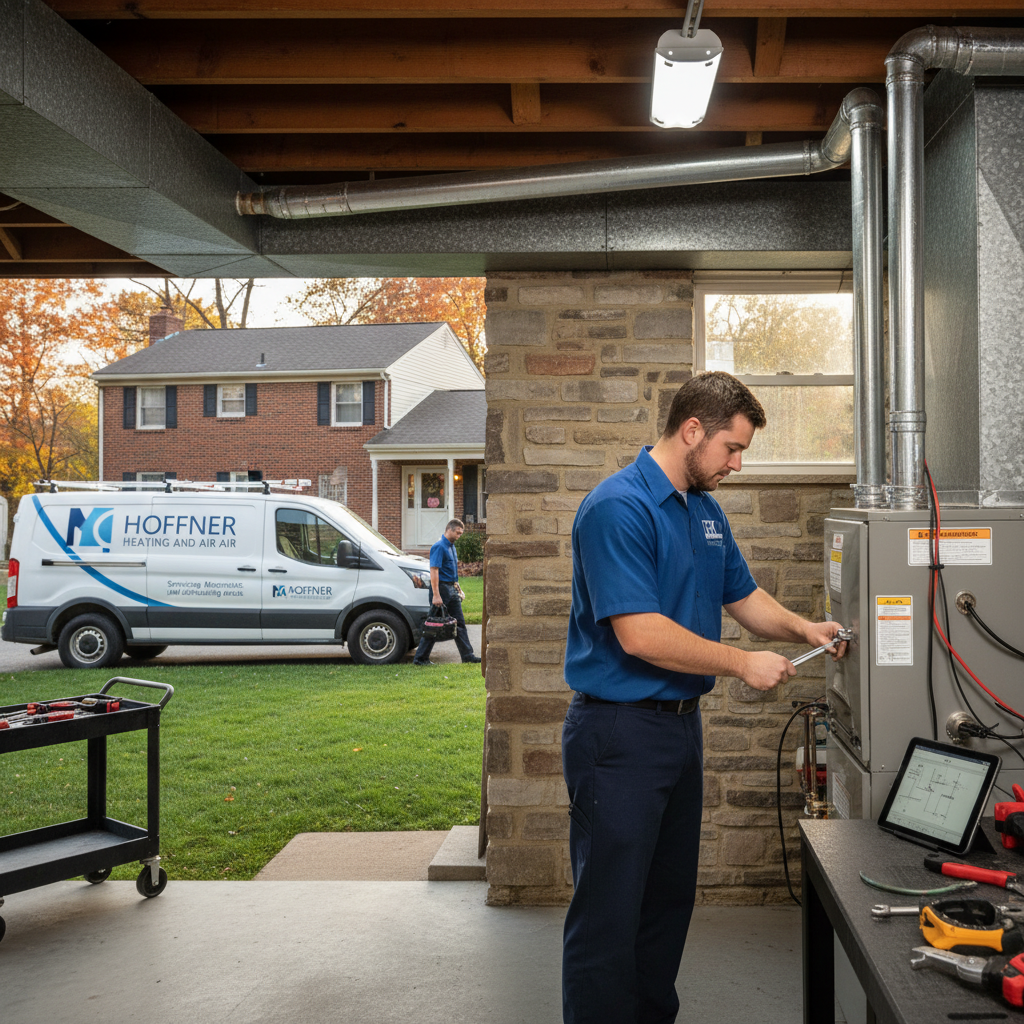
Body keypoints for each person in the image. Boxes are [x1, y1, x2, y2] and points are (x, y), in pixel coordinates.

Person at [561, 371, 847, 1024]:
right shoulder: (618, 507)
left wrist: (805, 627)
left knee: (666, 905)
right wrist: (742, 664)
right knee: (610, 913)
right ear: (692, 431)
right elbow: (639, 634)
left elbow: (742, 596)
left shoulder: (705, 511)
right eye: (731, 449)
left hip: (678, 733)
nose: (737, 465)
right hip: (618, 736)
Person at [413, 518, 481, 665]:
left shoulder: (452, 547)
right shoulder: (439, 547)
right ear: (449, 529)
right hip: (441, 589)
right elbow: (434, 571)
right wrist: (436, 595)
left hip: (451, 589)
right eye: (458, 533)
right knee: (433, 624)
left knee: (460, 623)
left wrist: (458, 589)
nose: (459, 536)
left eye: (461, 533)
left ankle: (467, 656)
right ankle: (420, 658)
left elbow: (452, 571)